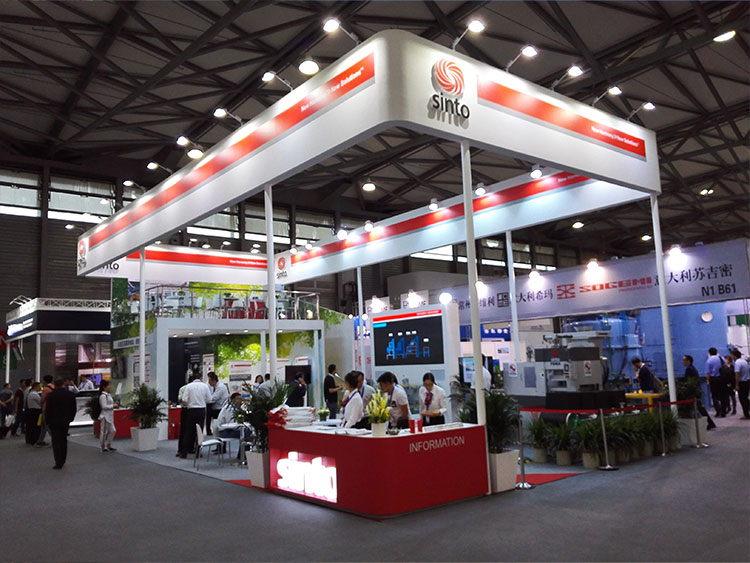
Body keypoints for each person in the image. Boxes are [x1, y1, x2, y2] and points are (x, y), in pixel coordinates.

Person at [45, 378, 77, 469]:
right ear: (63, 384)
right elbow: (73, 408)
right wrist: (71, 418)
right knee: (63, 440)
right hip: (65, 420)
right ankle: (63, 459)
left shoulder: (51, 395)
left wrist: (47, 421)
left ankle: (58, 461)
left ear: (55, 384)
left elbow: (48, 409)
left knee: (55, 441)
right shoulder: (70, 394)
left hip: (54, 421)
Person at [178, 373, 211, 459]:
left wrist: (189, 403)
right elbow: (209, 399)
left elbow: (184, 400)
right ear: (200, 378)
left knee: (188, 431)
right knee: (199, 432)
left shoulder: (189, 386)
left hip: (191, 410)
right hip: (201, 410)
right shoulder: (205, 386)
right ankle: (198, 452)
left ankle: (184, 453)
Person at [682, 355, 715, 430]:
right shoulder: (692, 368)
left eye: (684, 360)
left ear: (688, 361)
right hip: (695, 391)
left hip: (693, 392)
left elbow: (688, 381)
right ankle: (710, 423)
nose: (683, 362)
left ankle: (709, 423)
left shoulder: (689, 369)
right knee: (699, 408)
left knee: (699, 408)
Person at [705, 347, 726, 417]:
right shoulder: (721, 358)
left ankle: (718, 411)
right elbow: (725, 367)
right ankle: (723, 412)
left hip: (713, 379)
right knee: (723, 396)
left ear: (709, 353)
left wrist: (708, 380)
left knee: (714, 396)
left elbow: (708, 372)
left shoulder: (709, 361)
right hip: (722, 378)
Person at [36, 375, 55, 447]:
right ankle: (40, 440)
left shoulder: (45, 389)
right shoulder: (53, 387)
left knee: (47, 425)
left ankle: (55, 440)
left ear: (44, 381)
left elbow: (42, 400)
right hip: (52, 409)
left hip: (45, 409)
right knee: (43, 425)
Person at [98, 379, 117, 452]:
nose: (110, 386)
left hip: (110, 416)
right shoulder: (103, 396)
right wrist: (113, 406)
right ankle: (103, 447)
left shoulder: (108, 395)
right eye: (108, 385)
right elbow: (104, 406)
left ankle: (108, 444)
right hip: (105, 416)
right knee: (104, 432)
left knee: (113, 431)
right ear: (104, 387)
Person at [732, 349, 750, 420]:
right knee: (745, 398)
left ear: (735, 356)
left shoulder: (737, 363)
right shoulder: (744, 361)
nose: (731, 357)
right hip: (747, 382)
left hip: (742, 383)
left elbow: (737, 374)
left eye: (732, 355)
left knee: (742, 399)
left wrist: (736, 385)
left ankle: (746, 415)